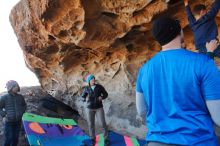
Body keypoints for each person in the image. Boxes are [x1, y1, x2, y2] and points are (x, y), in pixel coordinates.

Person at [136, 17, 220, 146]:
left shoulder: (144, 69)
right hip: (198, 141)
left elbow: (141, 110)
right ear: (180, 32)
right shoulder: (203, 63)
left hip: (157, 141)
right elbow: (218, 117)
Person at [81, 74, 109, 146]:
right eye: (91, 79)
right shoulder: (86, 88)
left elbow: (106, 94)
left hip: (99, 108)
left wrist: (101, 97)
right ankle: (92, 138)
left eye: (93, 79)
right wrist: (85, 99)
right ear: (89, 81)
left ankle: (106, 139)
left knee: (103, 123)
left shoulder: (99, 87)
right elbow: (82, 97)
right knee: (91, 124)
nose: (93, 80)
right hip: (89, 108)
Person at [0, 80, 27, 146]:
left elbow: (24, 105)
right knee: (9, 138)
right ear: (10, 88)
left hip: (18, 121)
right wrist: (3, 114)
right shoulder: (4, 98)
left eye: (17, 85)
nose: (16, 87)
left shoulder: (20, 97)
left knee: (15, 138)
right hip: (9, 122)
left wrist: (22, 112)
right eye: (14, 86)